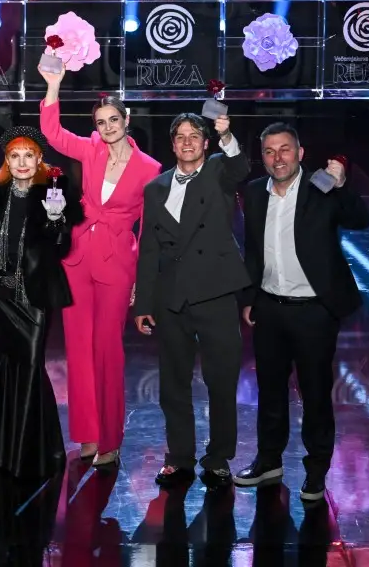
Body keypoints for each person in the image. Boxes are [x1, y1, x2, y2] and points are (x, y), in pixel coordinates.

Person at [233, 123, 369, 502]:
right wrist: (250, 298)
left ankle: (316, 470)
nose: (277, 158)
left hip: (314, 311)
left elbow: (360, 220)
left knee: (315, 394)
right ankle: (269, 461)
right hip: (270, 310)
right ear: (262, 157)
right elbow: (253, 251)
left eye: (285, 150)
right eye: (269, 151)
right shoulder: (254, 193)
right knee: (270, 392)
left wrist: (342, 185)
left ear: (300, 153)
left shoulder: (321, 186)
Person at [39, 63, 162, 467]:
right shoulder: (90, 148)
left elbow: (147, 230)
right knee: (77, 350)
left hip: (117, 264)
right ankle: (88, 435)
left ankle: (110, 439)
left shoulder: (150, 169)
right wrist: (53, 86)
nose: (107, 127)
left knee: (107, 350)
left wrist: (140, 282)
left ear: (127, 120)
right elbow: (52, 133)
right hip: (78, 258)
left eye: (113, 120)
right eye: (101, 122)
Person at [132, 111, 249, 489]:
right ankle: (179, 457)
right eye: (180, 136)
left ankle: (218, 458)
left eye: (194, 135)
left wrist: (227, 135)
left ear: (205, 142)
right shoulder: (155, 188)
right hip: (172, 297)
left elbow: (240, 168)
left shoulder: (218, 170)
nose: (187, 142)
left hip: (215, 292)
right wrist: (143, 303)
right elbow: (149, 249)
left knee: (221, 381)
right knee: (173, 385)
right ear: (172, 145)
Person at [0, 127, 83, 478]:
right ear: (6, 159)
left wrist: (55, 220)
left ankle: (26, 450)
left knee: (31, 362)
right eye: (15, 156)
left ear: (39, 159)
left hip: (33, 293)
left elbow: (62, 248)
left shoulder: (54, 190)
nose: (22, 162)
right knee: (8, 361)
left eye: (28, 156)